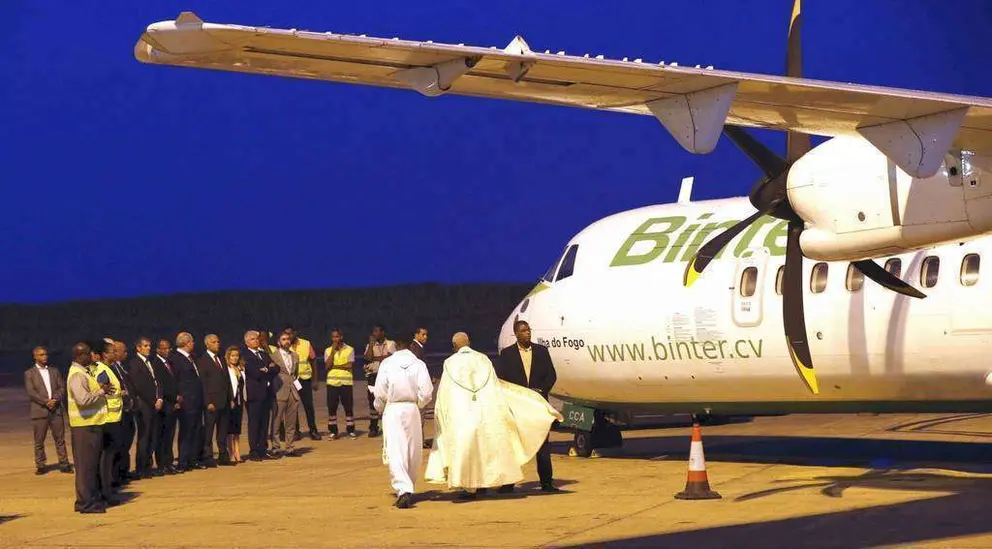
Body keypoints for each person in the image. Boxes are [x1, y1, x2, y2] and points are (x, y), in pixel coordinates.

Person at [425, 332, 561, 499]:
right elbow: (495, 387)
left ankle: (471, 488)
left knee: (467, 451)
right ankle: (484, 484)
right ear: (470, 342)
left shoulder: (450, 363)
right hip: (485, 412)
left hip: (463, 414)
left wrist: (442, 413)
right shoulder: (483, 359)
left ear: (454, 346)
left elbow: (445, 392)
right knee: (485, 450)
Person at [495, 320, 561, 493]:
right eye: (523, 331)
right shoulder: (507, 354)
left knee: (542, 445)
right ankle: (508, 483)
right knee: (513, 444)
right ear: (516, 334)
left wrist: (540, 391)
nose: (527, 333)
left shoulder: (541, 351)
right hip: (517, 407)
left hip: (538, 405)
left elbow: (551, 375)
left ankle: (547, 483)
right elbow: (501, 380)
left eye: (528, 330)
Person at [372, 335, 434, 509]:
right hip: (412, 409)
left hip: (393, 409)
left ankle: (403, 488)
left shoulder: (387, 364)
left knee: (395, 449)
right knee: (413, 449)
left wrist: (380, 407)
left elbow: (380, 392)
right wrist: (418, 404)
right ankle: (409, 484)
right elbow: (427, 392)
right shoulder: (419, 364)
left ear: (395, 347)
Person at [66, 342, 111, 514]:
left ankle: (88, 500)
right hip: (84, 427)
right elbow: (82, 400)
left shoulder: (84, 373)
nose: (91, 357)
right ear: (80, 356)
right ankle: (86, 503)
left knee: (90, 466)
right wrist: (101, 391)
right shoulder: (77, 374)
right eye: (88, 354)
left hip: (90, 425)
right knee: (85, 467)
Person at [24, 346, 72, 475]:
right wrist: (46, 401)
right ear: (35, 357)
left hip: (55, 410)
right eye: (41, 355)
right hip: (40, 411)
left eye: (45, 354)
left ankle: (64, 463)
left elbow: (62, 387)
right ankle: (40, 465)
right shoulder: (29, 373)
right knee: (39, 440)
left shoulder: (54, 371)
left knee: (60, 439)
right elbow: (31, 392)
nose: (44, 357)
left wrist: (54, 400)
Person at [197, 334, 234, 467]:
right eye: (214, 342)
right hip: (212, 402)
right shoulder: (202, 360)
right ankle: (208, 457)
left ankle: (224, 456)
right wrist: (208, 402)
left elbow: (227, 380)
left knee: (222, 431)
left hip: (224, 400)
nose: (217, 344)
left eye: (218, 341)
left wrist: (231, 397)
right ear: (207, 344)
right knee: (208, 431)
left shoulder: (221, 359)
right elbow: (203, 384)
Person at [128, 337, 163, 477]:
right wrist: (153, 400)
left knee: (153, 436)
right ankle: (141, 467)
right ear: (138, 348)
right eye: (145, 346)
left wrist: (160, 397)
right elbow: (139, 386)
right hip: (144, 406)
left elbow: (157, 381)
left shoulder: (151, 362)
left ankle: (148, 464)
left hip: (155, 404)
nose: (149, 348)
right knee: (144, 436)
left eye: (149, 345)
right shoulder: (134, 364)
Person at [242, 330, 277, 461]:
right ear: (246, 342)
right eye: (252, 339)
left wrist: (266, 370)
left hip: (266, 393)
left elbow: (276, 368)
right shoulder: (244, 355)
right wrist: (267, 369)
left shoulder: (263, 353)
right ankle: (254, 450)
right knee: (254, 422)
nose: (256, 340)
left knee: (264, 422)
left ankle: (263, 448)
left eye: (257, 339)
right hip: (254, 394)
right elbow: (254, 372)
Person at [172, 332, 205, 471]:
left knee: (196, 430)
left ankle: (193, 459)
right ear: (185, 343)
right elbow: (175, 380)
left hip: (197, 400)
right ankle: (183, 461)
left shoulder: (193, 357)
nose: (193, 344)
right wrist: (178, 397)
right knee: (186, 431)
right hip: (186, 401)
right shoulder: (176, 359)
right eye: (191, 341)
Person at [269, 330, 302, 457]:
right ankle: (276, 447)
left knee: (291, 422)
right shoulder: (273, 356)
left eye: (288, 339)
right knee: (277, 421)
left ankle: (290, 447)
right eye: (283, 339)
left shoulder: (295, 356)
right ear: (278, 342)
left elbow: (295, 374)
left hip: (292, 392)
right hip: (279, 391)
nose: (287, 341)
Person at [286, 326, 321, 441]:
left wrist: (315, 380)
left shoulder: (306, 344)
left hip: (304, 379)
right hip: (291, 381)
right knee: (293, 406)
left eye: (290, 334)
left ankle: (313, 430)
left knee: (308, 406)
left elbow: (313, 360)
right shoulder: (284, 345)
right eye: (286, 335)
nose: (288, 337)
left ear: (295, 333)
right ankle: (296, 431)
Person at [152, 339, 180, 474]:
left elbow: (174, 382)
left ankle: (169, 462)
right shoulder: (155, 364)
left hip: (172, 405)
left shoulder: (170, 363)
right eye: (164, 348)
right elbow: (161, 385)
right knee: (162, 436)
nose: (167, 350)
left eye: (169, 348)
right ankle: (162, 464)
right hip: (164, 405)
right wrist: (174, 397)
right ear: (158, 350)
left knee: (170, 436)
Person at [323, 328, 357, 439]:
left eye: (337, 336)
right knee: (332, 406)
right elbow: (328, 366)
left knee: (348, 406)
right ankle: (333, 431)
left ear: (341, 337)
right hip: (332, 382)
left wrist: (336, 366)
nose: (335, 339)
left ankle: (350, 429)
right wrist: (333, 351)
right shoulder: (328, 350)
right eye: (333, 337)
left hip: (346, 382)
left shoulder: (350, 349)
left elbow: (350, 365)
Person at [363, 325, 395, 438]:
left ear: (383, 332)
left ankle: (389, 427)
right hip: (373, 375)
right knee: (372, 402)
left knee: (388, 400)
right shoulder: (370, 345)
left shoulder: (391, 344)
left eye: (376, 331)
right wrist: (371, 346)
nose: (374, 334)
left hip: (387, 376)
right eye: (373, 331)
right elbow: (367, 358)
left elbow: (391, 358)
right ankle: (373, 427)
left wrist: (376, 358)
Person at [225, 346, 246, 463]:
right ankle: (231, 453)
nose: (235, 358)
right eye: (232, 356)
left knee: (237, 429)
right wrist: (230, 399)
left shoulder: (240, 368)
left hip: (239, 401)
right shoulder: (227, 369)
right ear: (228, 357)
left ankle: (238, 452)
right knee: (230, 429)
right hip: (231, 401)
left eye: (237, 356)